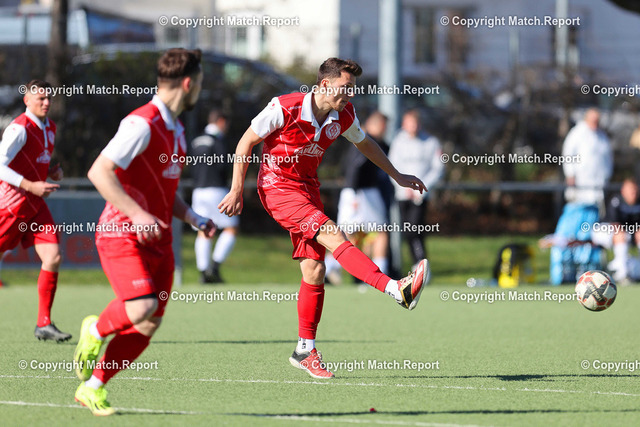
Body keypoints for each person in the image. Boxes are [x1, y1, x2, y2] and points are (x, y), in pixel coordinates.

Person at [219, 58, 430, 379]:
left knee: (315, 270)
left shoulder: (343, 115)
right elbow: (246, 142)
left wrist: (397, 176)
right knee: (333, 234)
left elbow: (366, 144)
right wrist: (236, 189)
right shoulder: (284, 107)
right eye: (346, 87)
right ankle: (396, 289)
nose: (350, 94)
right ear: (325, 85)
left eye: (353, 89)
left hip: (308, 189)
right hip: (277, 188)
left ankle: (305, 349)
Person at [73, 48, 215, 416]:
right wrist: (136, 214)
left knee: (150, 322)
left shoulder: (177, 130)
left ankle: (92, 388)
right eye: (200, 83)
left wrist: (194, 218)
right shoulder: (142, 123)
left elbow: (165, 192)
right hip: (121, 231)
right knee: (142, 306)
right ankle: (96, 330)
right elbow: (99, 172)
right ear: (189, 83)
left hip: (159, 239)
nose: (201, 90)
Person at [0, 79, 71, 342]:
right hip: (11, 205)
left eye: (49, 98)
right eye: (40, 98)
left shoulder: (49, 127)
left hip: (35, 206)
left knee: (53, 256)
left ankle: (44, 324)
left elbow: (33, 160)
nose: (46, 102)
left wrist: (51, 171)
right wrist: (31, 184)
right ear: (26, 100)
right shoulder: (19, 128)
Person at [325, 111, 391, 284]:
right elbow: (355, 167)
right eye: (384, 126)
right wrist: (354, 195)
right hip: (360, 194)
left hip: (358, 192)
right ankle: (379, 274)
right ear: (376, 125)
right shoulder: (365, 141)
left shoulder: (373, 141)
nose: (385, 130)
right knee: (376, 232)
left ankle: (331, 268)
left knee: (353, 233)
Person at [550, 108, 613, 285]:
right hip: (579, 192)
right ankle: (564, 271)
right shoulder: (577, 134)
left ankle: (589, 270)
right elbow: (568, 155)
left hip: (596, 194)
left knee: (591, 234)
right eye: (593, 119)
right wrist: (571, 176)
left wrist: (606, 179)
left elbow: (608, 161)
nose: (596, 123)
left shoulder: (602, 137)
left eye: (598, 120)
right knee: (571, 232)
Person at [389, 109, 444, 267]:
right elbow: (391, 166)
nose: (413, 126)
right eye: (409, 123)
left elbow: (438, 168)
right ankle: (417, 264)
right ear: (404, 124)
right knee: (408, 231)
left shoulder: (431, 142)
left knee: (415, 229)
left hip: (420, 196)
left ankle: (421, 263)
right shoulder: (398, 142)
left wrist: (422, 186)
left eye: (415, 123)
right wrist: (402, 184)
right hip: (402, 194)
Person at [190, 110, 239, 283]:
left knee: (203, 230)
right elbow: (224, 165)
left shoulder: (196, 140)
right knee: (231, 228)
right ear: (221, 121)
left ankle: (204, 273)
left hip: (198, 191)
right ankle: (215, 268)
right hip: (216, 189)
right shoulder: (218, 140)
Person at [591, 178, 640, 282]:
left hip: (626, 233)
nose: (633, 193)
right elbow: (615, 225)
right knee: (620, 233)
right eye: (630, 190)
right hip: (604, 231)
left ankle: (619, 267)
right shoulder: (616, 200)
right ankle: (622, 272)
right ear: (623, 191)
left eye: (635, 190)